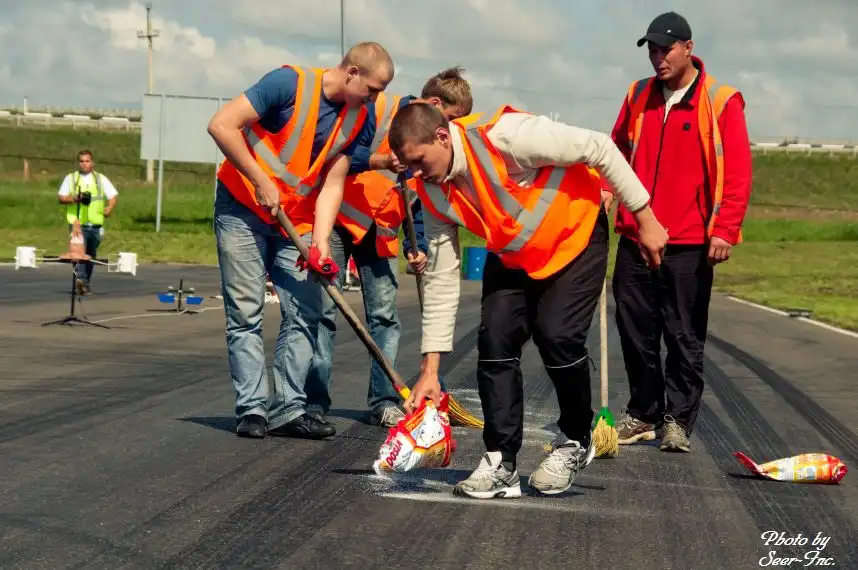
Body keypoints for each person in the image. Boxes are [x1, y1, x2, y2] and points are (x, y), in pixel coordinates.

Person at [389, 102, 668, 499]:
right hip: (514, 255)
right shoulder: (432, 191)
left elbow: (600, 147)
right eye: (408, 166)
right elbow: (440, 278)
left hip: (574, 239)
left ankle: (575, 440)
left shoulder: (508, 136)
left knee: (557, 335)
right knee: (495, 341)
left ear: (441, 137)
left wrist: (645, 218)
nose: (416, 172)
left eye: (419, 160)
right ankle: (500, 461)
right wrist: (430, 368)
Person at [207, 42, 394, 441]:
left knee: (306, 311)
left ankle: (289, 409)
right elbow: (221, 125)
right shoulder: (286, 84)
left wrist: (321, 241)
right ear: (352, 73)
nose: (375, 98)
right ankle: (252, 409)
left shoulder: (361, 116)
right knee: (246, 312)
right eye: (373, 89)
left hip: (297, 218)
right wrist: (260, 181)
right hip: (242, 209)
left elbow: (333, 182)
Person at [604, 11, 753, 452]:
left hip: (688, 240)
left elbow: (738, 171)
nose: (658, 58)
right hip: (636, 234)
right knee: (634, 328)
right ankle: (644, 412)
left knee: (683, 333)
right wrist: (605, 189)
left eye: (665, 49)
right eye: (652, 50)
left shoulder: (721, 100)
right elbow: (615, 149)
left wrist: (725, 228)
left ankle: (678, 420)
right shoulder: (637, 95)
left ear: (688, 48)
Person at [306, 67, 474, 428]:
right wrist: (380, 160)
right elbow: (340, 154)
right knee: (323, 313)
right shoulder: (379, 110)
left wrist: (419, 246)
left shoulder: (434, 148)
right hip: (339, 221)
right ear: (434, 104)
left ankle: (383, 400)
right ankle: (313, 402)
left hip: (380, 232)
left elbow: (422, 201)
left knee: (385, 317)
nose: (453, 130)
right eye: (452, 118)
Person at [57, 149, 118, 295]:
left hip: (95, 224)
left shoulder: (100, 179)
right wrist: (74, 199)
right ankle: (81, 281)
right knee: (78, 253)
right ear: (78, 163)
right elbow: (61, 197)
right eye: (81, 161)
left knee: (90, 255)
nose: (84, 164)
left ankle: (85, 282)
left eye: (87, 161)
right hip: (77, 224)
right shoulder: (71, 178)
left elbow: (112, 195)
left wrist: (109, 208)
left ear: (92, 162)